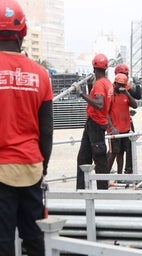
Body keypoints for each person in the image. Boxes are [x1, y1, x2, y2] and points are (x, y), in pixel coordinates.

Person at [0, 0, 53, 255]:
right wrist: (43, 166)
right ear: (22, 33)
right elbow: (47, 130)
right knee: (34, 238)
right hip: (31, 167)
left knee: (2, 240)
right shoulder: (41, 75)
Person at [76, 53, 113, 190]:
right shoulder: (106, 83)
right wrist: (89, 87)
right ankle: (81, 189)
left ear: (93, 67)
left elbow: (99, 104)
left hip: (95, 124)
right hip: (93, 123)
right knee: (83, 158)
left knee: (100, 159)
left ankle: (102, 191)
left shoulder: (99, 84)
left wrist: (82, 94)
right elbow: (100, 100)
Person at [109, 63, 141, 174]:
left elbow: (136, 100)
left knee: (126, 150)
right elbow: (106, 111)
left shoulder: (126, 91)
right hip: (115, 128)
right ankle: (105, 175)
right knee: (115, 152)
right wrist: (111, 127)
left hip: (126, 126)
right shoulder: (110, 92)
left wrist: (128, 91)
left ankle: (124, 173)